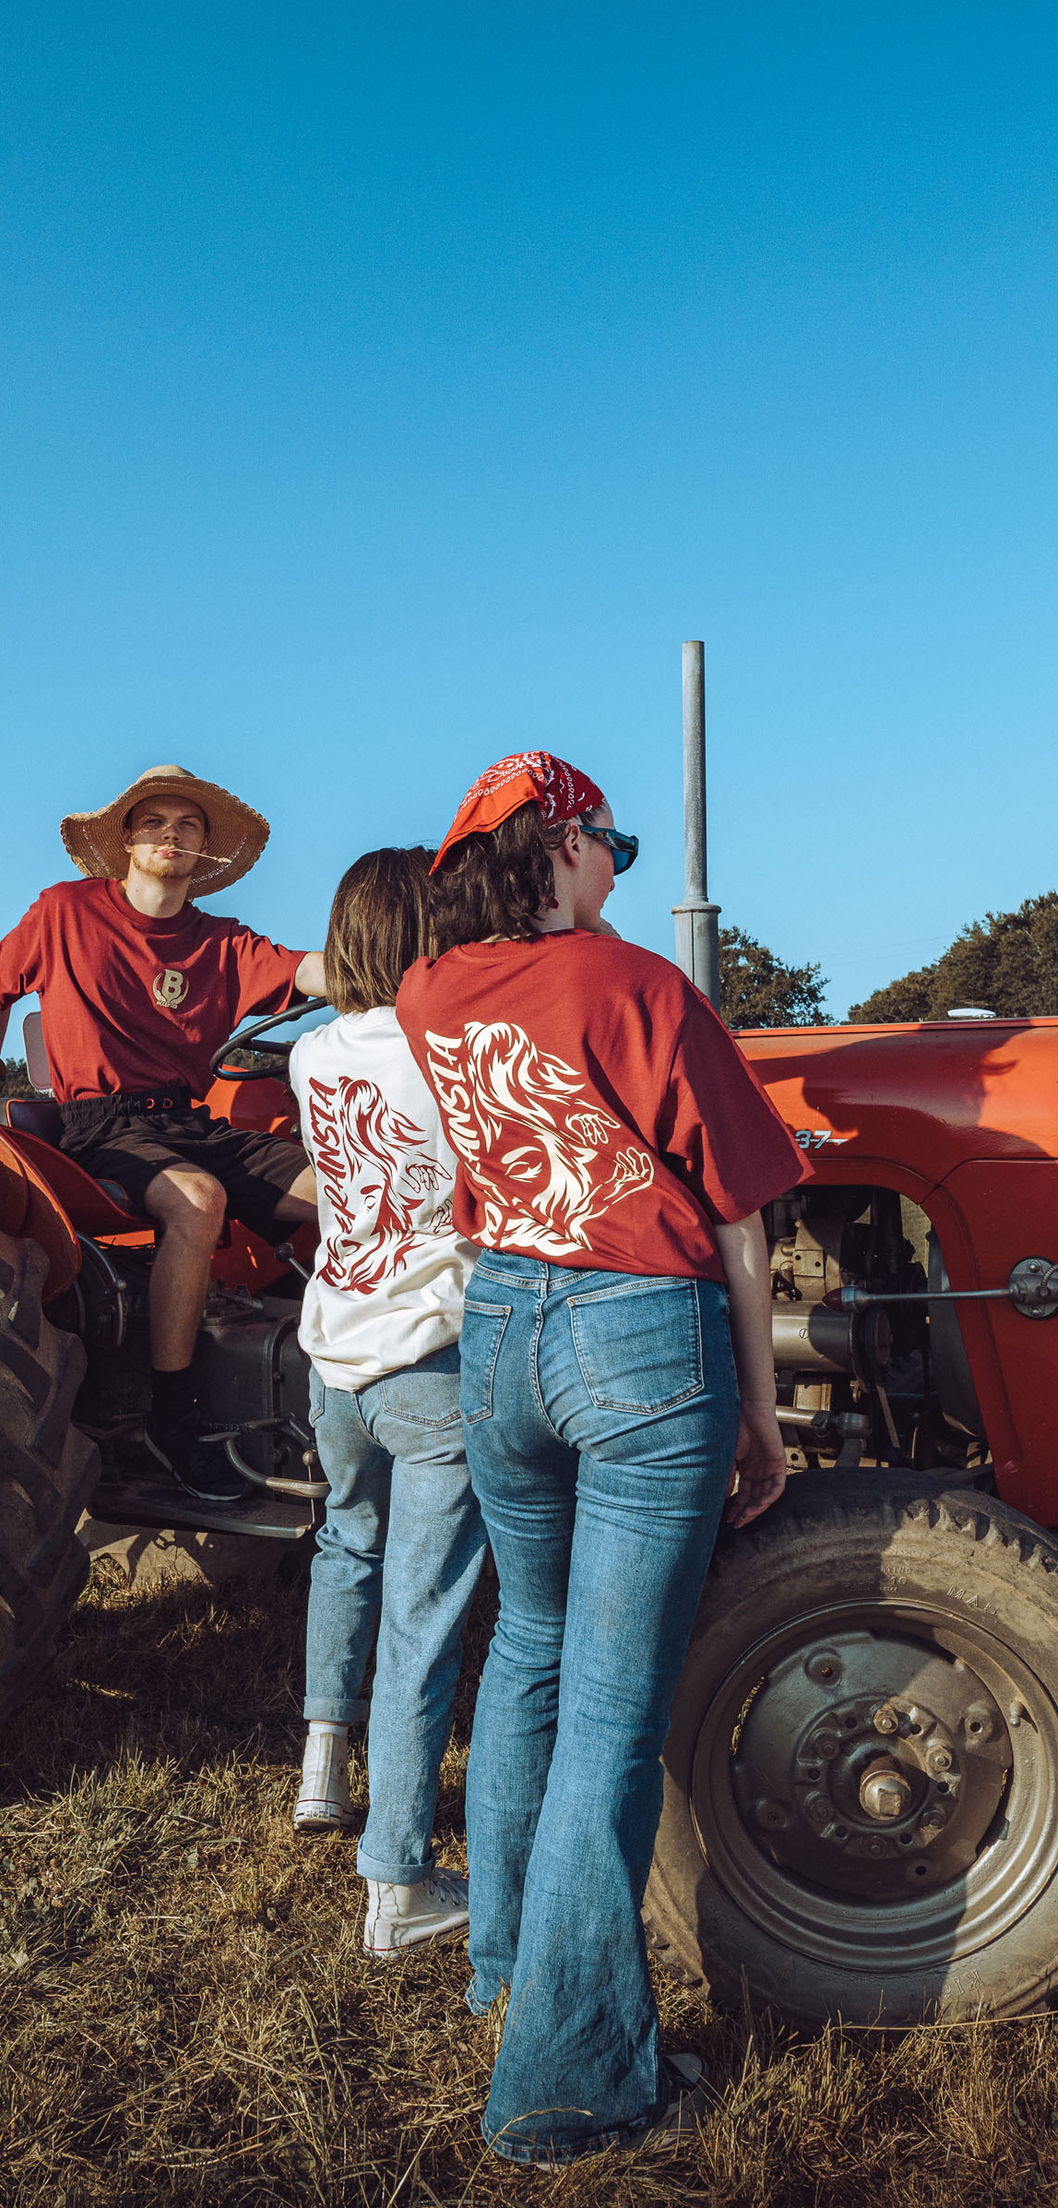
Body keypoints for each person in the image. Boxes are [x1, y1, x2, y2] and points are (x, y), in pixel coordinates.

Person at [394, 750, 809, 2165]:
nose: (618, 866)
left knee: (532, 1656)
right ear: (559, 843)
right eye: (608, 842)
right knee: (614, 1715)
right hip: (640, 1336)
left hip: (501, 1324)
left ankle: (507, 1969)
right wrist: (761, 1407)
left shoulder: (426, 992)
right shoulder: (639, 987)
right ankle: (566, 2082)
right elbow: (742, 1216)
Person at [0, 764, 326, 1505]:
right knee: (196, 1201)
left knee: (349, 1188)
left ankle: (343, 1385)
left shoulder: (221, 942)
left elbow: (311, 971)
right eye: (156, 822)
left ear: (205, 852)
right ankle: (173, 1413)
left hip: (188, 1119)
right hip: (99, 1123)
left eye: (188, 825)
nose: (172, 834)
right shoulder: (65, 911)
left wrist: (403, 967)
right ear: (128, 839)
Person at [287, 848, 488, 1960]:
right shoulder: (452, 1053)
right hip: (428, 1356)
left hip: (334, 1351)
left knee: (344, 1545)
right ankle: (398, 1881)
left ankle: (323, 1765)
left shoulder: (313, 1055)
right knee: (425, 1621)